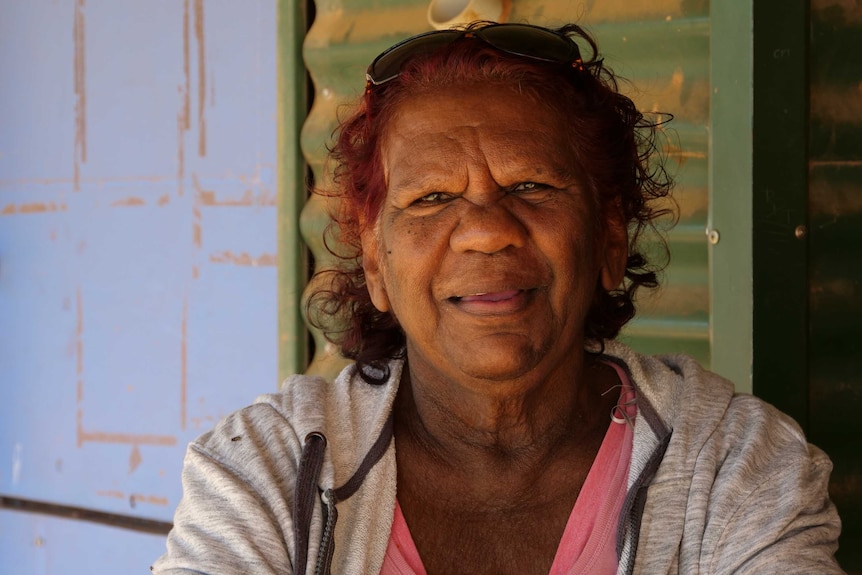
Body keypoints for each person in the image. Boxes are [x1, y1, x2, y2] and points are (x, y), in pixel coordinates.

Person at [152, 21, 843, 574]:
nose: (484, 230)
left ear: (607, 238)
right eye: (431, 198)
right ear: (376, 264)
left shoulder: (733, 463)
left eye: (532, 186)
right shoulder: (269, 472)